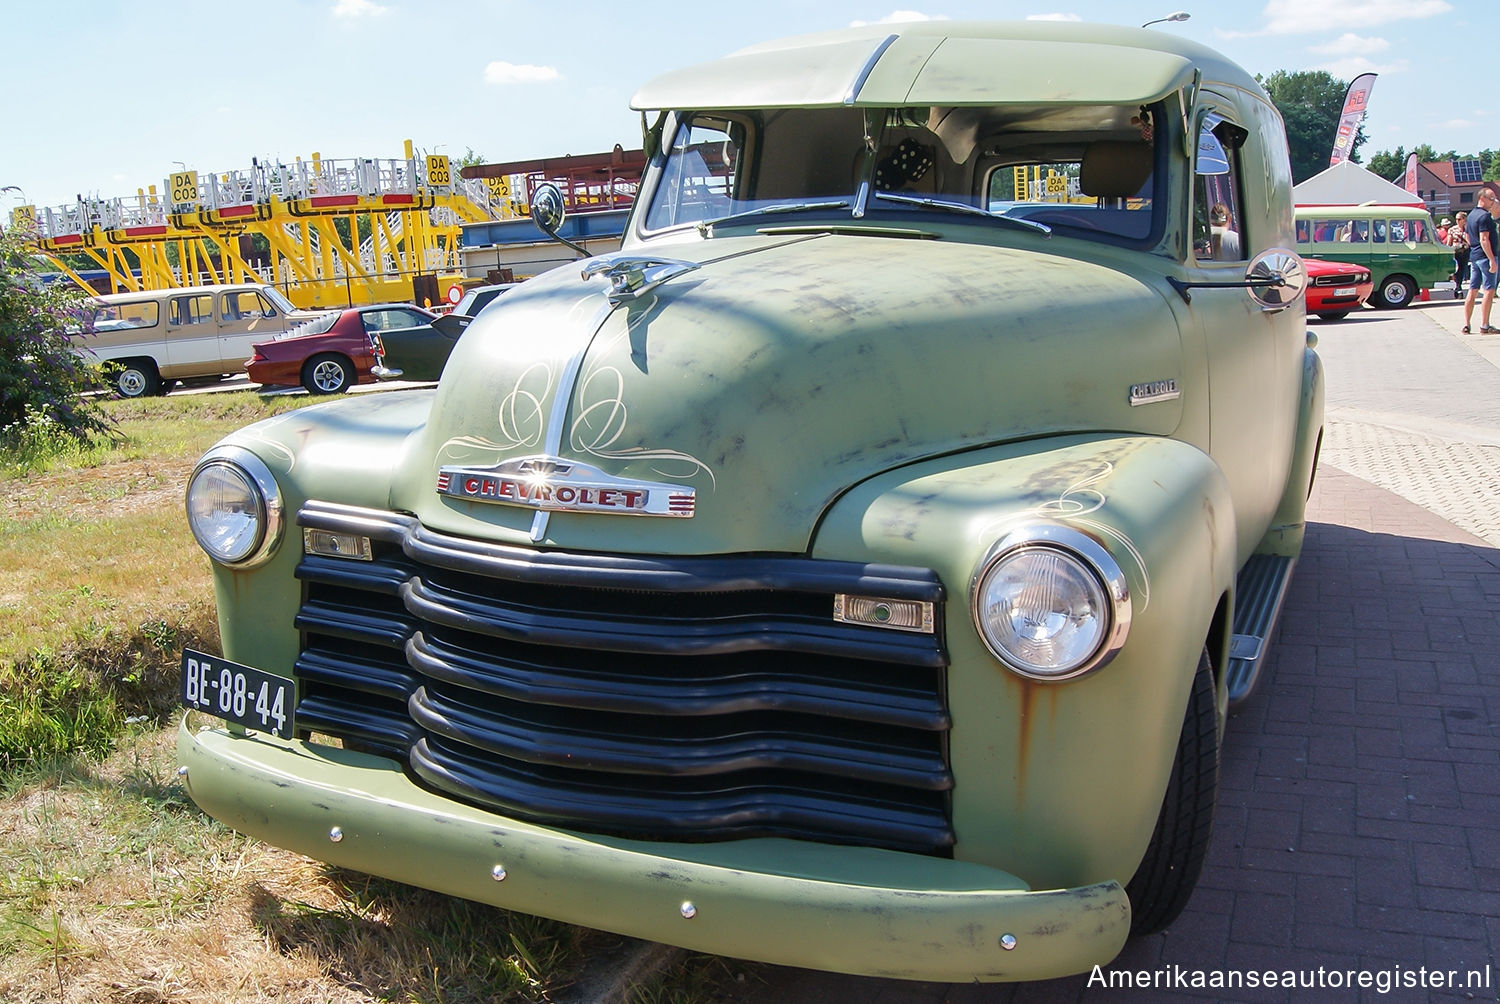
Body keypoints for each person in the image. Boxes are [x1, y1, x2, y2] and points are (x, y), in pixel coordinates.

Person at [1463, 190, 1500, 334]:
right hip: (1485, 257)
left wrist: (1474, 247)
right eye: (1491, 198)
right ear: (1482, 198)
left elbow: (1467, 235)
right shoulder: (1485, 217)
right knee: (1489, 291)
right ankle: (1485, 324)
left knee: (1472, 290)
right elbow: (1484, 239)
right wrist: (1492, 259)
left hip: (1475, 256)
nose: (1494, 202)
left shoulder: (1471, 215)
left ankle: (1466, 324)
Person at [1449, 211, 1470, 288]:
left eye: (1459, 219)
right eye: (1456, 219)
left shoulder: (1468, 229)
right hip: (1456, 251)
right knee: (1456, 270)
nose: (1457, 221)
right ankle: (1458, 286)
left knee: (1463, 268)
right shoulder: (1452, 229)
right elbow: (1449, 242)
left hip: (1465, 251)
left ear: (1464, 220)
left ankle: (1459, 285)